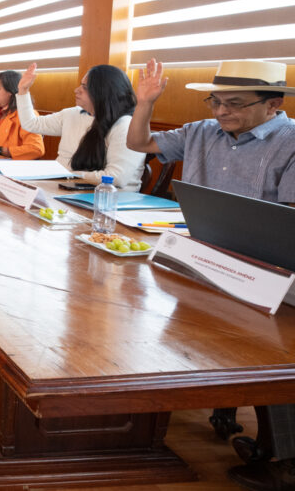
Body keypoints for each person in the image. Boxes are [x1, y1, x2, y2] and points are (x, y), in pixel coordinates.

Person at [126, 58, 295, 491]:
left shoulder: (291, 141)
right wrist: (145, 103)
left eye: (235, 103)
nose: (221, 111)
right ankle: (238, 419)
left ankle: (287, 461)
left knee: (272, 352)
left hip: (272, 268)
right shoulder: (202, 131)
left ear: (273, 104)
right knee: (185, 326)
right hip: (206, 257)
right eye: (215, 101)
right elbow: (138, 142)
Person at [15, 62, 146, 190]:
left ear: (104, 92)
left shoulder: (126, 126)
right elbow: (31, 123)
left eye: (85, 87)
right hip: (66, 186)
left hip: (110, 197)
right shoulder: (73, 114)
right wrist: (23, 90)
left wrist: (67, 173)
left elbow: (116, 178)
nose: (76, 90)